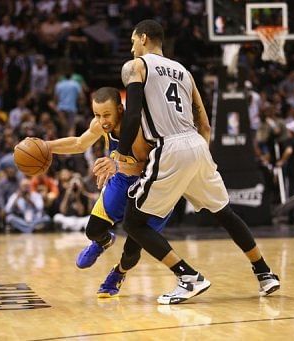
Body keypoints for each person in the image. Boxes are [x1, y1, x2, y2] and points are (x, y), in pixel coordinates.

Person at [109, 20, 279, 304]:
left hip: (171, 146)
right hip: (197, 145)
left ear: (143, 38)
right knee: (225, 213)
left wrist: (121, 151)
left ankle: (188, 277)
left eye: (132, 40)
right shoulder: (184, 72)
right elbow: (205, 124)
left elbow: (133, 113)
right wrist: (200, 154)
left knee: (134, 223)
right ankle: (264, 272)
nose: (131, 47)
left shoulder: (137, 66)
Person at [27, 86, 169, 297]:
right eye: (97, 115)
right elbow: (78, 143)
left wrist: (116, 165)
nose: (102, 120)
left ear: (120, 110)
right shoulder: (102, 125)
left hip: (152, 185)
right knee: (92, 230)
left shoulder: (141, 128)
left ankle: (118, 273)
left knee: (132, 250)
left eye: (106, 114)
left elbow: (148, 167)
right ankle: (104, 240)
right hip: (122, 181)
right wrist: (46, 146)